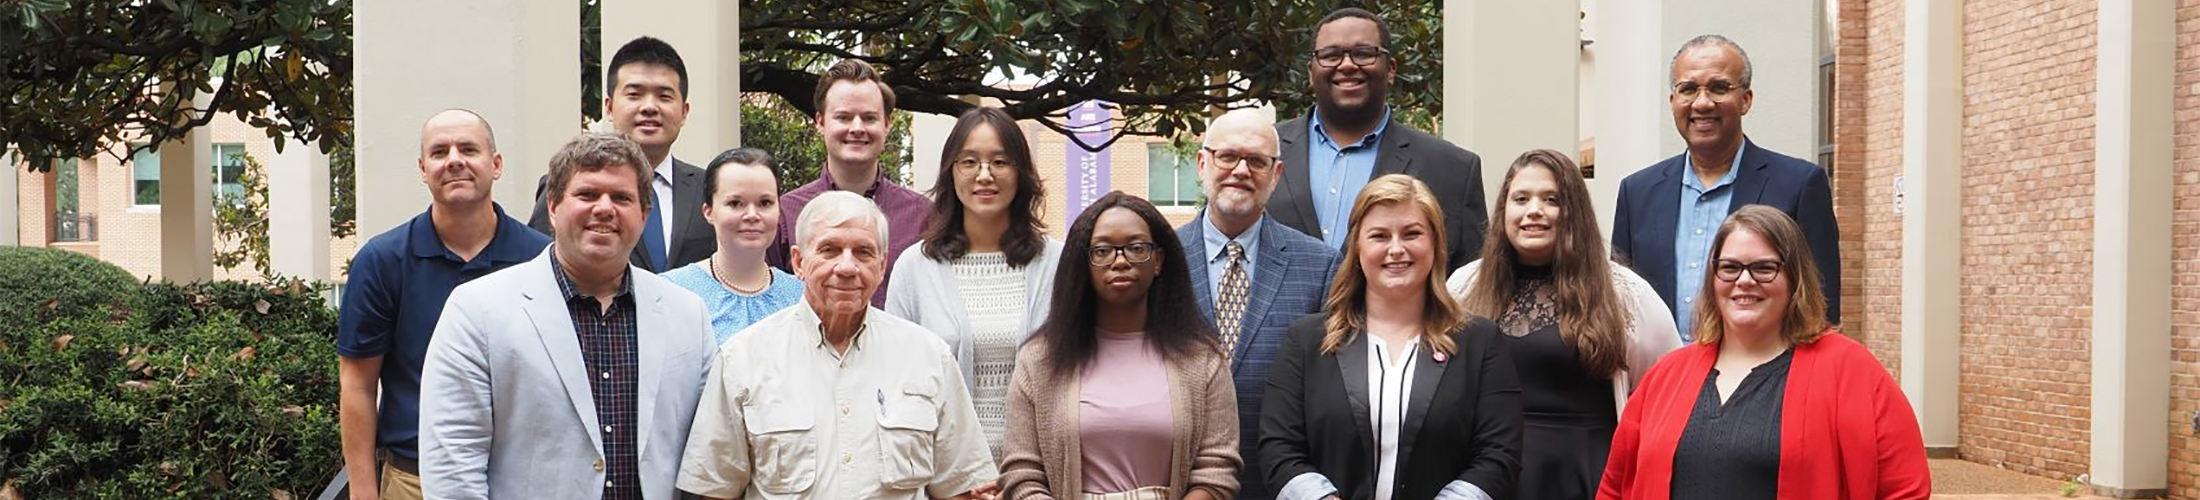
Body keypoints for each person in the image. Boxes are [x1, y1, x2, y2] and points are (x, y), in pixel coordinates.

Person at [418, 133, 716, 499]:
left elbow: (707, 455)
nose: (605, 208)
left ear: (643, 215)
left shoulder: (688, 313)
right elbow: (453, 467)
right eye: (587, 194)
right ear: (554, 207)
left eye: (622, 197)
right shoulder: (477, 310)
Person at [676, 191, 999, 500]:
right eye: (829, 250)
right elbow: (718, 491)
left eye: (863, 252)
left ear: (882, 265)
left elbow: (958, 489)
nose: (847, 268)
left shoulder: (929, 357)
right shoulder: (742, 359)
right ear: (799, 262)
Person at [1598, 206, 1929, 500]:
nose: (1744, 280)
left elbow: (1905, 488)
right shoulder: (1668, 375)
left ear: (1795, 279)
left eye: (1764, 268)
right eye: (1729, 267)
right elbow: (1615, 485)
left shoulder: (1850, 371)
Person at [1262, 174, 1522, 500]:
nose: (1396, 249)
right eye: (1379, 236)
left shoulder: (1480, 342)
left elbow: (1499, 454)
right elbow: (1279, 447)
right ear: (1357, 246)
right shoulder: (1306, 341)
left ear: (1436, 243)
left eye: (1412, 234)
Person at [337, 109, 551, 500]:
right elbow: (357, 384)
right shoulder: (383, 260)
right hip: (413, 480)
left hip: (522, 479)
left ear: (496, 164)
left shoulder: (541, 259)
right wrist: (363, 492)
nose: (454, 160)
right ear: (423, 168)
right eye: (439, 152)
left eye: (469, 149)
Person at [1446, 150, 1681, 500]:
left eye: (1551, 199)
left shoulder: (1624, 292)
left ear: (1575, 212)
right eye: (1521, 199)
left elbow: (1669, 390)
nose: (1534, 210)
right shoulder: (1465, 286)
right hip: (1488, 478)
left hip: (1587, 476)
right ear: (1503, 210)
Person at [999, 191, 1243, 500]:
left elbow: (1216, 471)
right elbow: (1022, 474)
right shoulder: (1040, 360)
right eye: (1102, 251)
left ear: (1158, 260)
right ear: (1083, 263)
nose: (1120, 260)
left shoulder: (1202, 358)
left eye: (1136, 248)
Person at [1611, 34, 1841, 343]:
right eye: (1688, 89)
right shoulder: (1637, 193)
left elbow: (1820, 307)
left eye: (1719, 88)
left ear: (1745, 100)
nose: (1702, 102)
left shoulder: (1799, 185)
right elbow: (1620, 303)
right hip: (1662, 379)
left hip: (1764, 378)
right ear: (1673, 102)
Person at [1173, 109, 1339, 500]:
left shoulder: (1320, 266)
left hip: (1279, 483)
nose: (1241, 170)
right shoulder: (1161, 259)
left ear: (1276, 174)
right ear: (1202, 163)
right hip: (1180, 480)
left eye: (1257, 161)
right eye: (1227, 156)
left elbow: (1328, 391)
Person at [886, 106, 1063, 456]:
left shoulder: (1056, 263)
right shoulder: (914, 267)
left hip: (1038, 475)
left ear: (1021, 173)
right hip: (946, 477)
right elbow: (893, 382)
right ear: (951, 172)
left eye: (1000, 162)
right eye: (969, 161)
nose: (985, 175)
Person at [1270, 7, 1486, 269]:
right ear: (1310, 72)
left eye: (1364, 54)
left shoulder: (1453, 169)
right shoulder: (1261, 153)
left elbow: (1472, 285)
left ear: (1391, 69)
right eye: (1330, 55)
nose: (1347, 65)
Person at [530, 36, 715, 272]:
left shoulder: (709, 188)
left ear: (684, 112)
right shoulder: (569, 184)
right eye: (634, 94)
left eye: (664, 96)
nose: (649, 107)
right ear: (609, 107)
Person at [769, 58, 932, 306]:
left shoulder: (923, 218)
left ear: (887, 124)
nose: (857, 128)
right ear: (821, 123)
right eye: (844, 117)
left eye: (869, 118)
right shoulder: (784, 216)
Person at [662, 148, 805, 344]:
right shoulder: (673, 292)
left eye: (765, 203)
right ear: (708, 211)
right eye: (736, 203)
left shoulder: (801, 296)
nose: (752, 215)